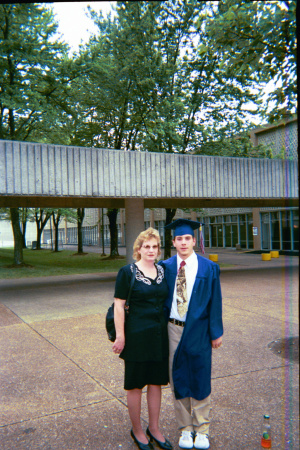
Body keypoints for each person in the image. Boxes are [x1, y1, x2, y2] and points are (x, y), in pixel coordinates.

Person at [159, 219, 223, 450]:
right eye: (179, 239)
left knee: (200, 374)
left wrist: (216, 332)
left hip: (200, 329)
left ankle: (202, 428)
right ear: (173, 242)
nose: (183, 242)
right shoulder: (164, 267)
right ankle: (185, 428)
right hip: (173, 328)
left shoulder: (209, 268)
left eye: (188, 238)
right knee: (178, 376)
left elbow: (216, 301)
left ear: (194, 241)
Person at [112, 228, 173, 450]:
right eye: (146, 246)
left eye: (154, 246)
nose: (150, 250)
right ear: (138, 249)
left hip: (158, 336)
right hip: (136, 336)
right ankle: (137, 430)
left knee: (156, 383)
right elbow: (119, 305)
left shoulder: (163, 271)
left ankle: (154, 428)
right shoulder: (127, 272)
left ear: (158, 250)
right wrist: (120, 336)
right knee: (135, 384)